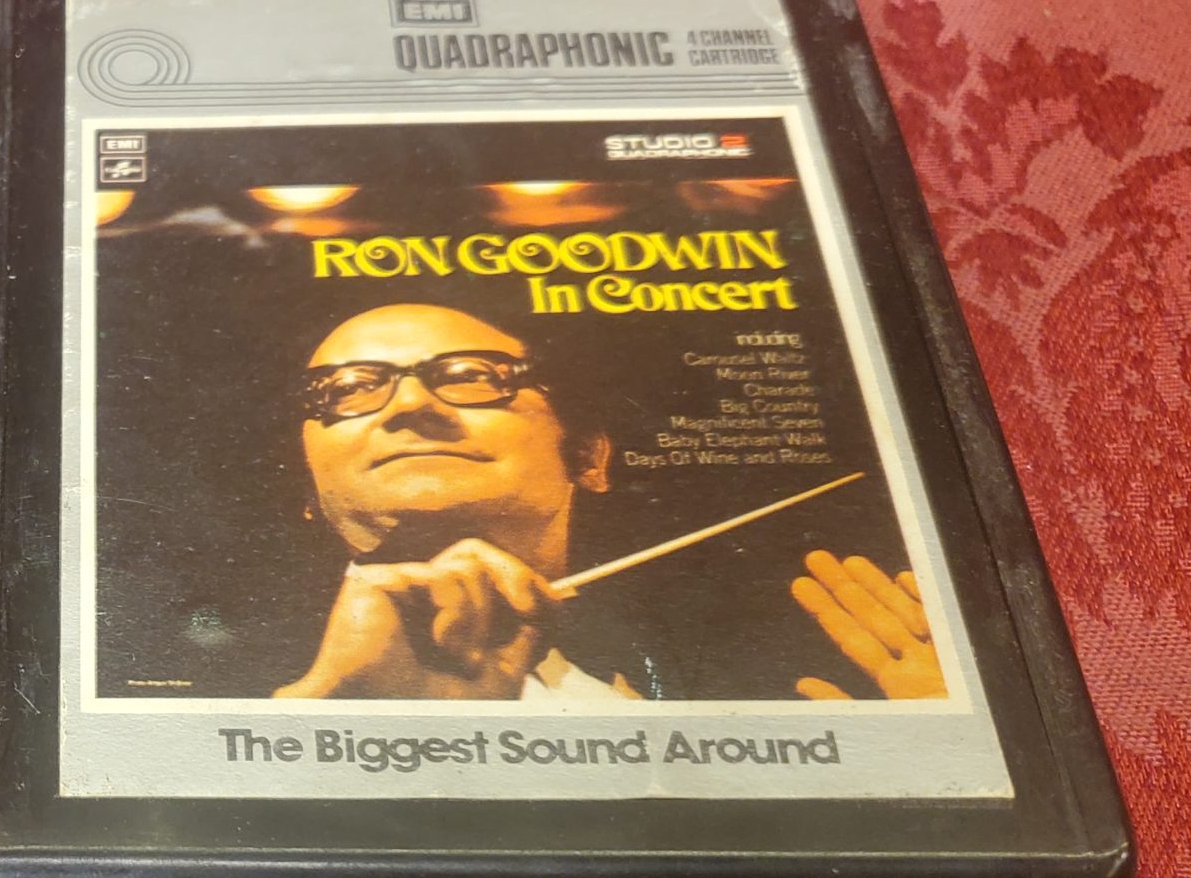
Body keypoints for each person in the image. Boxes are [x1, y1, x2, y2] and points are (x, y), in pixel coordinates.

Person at [273, 300, 945, 701]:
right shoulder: (246, 693)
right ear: (307, 491)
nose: (411, 404)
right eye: (347, 389)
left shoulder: (790, 675)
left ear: (589, 458)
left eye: (473, 375)